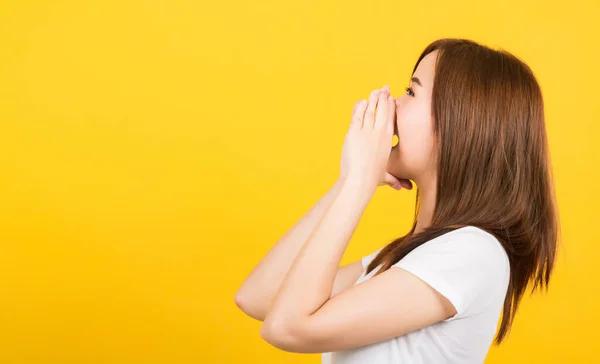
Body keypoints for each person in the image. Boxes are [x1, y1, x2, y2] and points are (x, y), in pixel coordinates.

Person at [234, 38, 560, 364]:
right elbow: (258, 297)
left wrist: (359, 182)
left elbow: (287, 328)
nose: (391, 103)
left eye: (411, 91)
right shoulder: (401, 261)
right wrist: (350, 180)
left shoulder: (473, 253)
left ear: (462, 124)